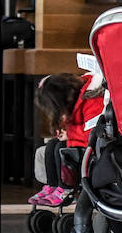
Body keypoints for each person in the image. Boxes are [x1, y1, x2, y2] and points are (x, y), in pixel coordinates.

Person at [29, 71, 105, 206]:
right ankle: (52, 186)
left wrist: (69, 133)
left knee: (60, 148)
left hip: (92, 145)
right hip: (79, 141)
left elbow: (92, 133)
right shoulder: (75, 98)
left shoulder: (93, 98)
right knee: (53, 144)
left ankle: (67, 189)